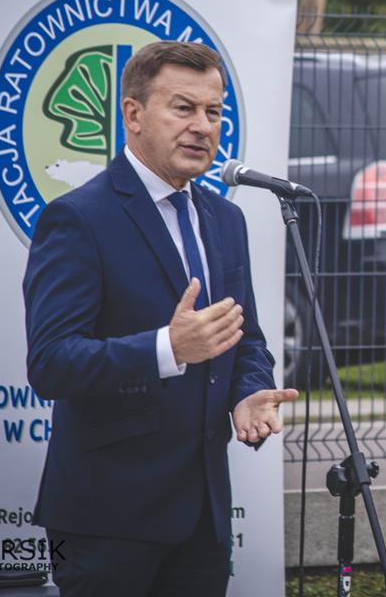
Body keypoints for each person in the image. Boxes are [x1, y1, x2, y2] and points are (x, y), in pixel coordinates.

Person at [23, 41, 298, 596]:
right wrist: (167, 348)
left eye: (213, 112)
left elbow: (244, 339)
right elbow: (51, 362)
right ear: (133, 114)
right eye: (183, 108)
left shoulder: (225, 219)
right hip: (108, 517)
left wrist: (249, 391)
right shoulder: (78, 218)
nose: (202, 126)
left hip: (203, 516)